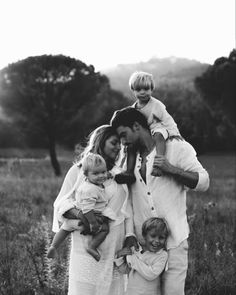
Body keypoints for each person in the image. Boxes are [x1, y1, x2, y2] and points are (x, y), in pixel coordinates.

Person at [110, 107, 210, 295]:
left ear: (137, 126)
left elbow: (204, 182)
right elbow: (128, 202)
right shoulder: (128, 162)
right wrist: (130, 234)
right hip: (144, 248)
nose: (123, 142)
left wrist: (171, 169)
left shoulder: (176, 148)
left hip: (174, 242)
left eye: (124, 135)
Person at [52, 125, 134, 295]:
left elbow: (128, 209)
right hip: (86, 243)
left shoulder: (118, 173)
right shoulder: (79, 171)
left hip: (113, 243)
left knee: (111, 290)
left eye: (120, 143)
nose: (119, 147)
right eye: (114, 142)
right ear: (101, 142)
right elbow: (61, 202)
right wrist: (81, 216)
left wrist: (129, 236)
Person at [115, 71, 181, 184]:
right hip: (145, 131)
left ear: (152, 89)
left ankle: (158, 164)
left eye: (146, 89)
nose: (143, 93)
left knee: (158, 136)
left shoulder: (157, 105)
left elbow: (167, 120)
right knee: (131, 146)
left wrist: (175, 133)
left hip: (159, 126)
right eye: (138, 90)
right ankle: (129, 172)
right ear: (133, 90)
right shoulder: (133, 108)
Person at [47, 153, 116, 261]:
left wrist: (108, 175)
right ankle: (91, 246)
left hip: (74, 217)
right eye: (96, 173)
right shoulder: (92, 190)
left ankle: (53, 246)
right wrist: (93, 223)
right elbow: (88, 209)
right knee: (105, 229)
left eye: (103, 172)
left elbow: (100, 175)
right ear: (86, 175)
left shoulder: (87, 182)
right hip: (89, 218)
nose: (101, 176)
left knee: (65, 228)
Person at [114, 217, 168, 295]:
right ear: (144, 235)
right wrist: (119, 257)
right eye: (153, 236)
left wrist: (132, 259)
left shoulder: (162, 255)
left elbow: (151, 274)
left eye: (161, 238)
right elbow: (125, 270)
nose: (156, 241)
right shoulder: (136, 249)